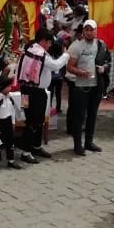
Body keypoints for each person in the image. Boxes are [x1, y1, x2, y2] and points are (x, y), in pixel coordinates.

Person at [17, 28, 68, 164]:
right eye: (49, 42)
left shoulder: (29, 49)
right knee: (33, 121)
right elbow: (56, 65)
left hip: (25, 91)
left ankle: (36, 146)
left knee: (35, 120)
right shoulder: (39, 53)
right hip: (35, 93)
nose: (50, 45)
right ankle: (26, 152)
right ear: (43, 41)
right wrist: (66, 55)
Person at [66, 19, 103, 156]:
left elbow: (107, 61)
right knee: (79, 116)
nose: (89, 32)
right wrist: (80, 72)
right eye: (86, 30)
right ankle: (77, 144)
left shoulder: (100, 45)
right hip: (81, 87)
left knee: (92, 115)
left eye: (91, 30)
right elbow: (69, 67)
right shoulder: (76, 46)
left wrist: (103, 68)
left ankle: (89, 142)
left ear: (96, 31)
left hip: (96, 86)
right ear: (83, 32)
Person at [0, 74, 21, 171]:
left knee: (10, 142)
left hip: (8, 122)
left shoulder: (9, 98)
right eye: (8, 86)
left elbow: (12, 111)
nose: (10, 88)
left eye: (10, 86)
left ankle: (11, 160)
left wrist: (13, 122)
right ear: (1, 87)